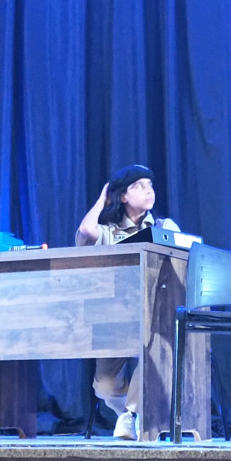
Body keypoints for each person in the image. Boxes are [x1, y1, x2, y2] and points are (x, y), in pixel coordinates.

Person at [76, 164, 180, 440]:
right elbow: (86, 230)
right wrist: (103, 199)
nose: (149, 191)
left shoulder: (164, 227)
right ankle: (135, 414)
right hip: (118, 319)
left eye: (151, 185)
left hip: (155, 317)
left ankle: (131, 415)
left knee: (156, 353)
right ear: (123, 196)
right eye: (139, 186)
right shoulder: (110, 232)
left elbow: (183, 261)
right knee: (105, 386)